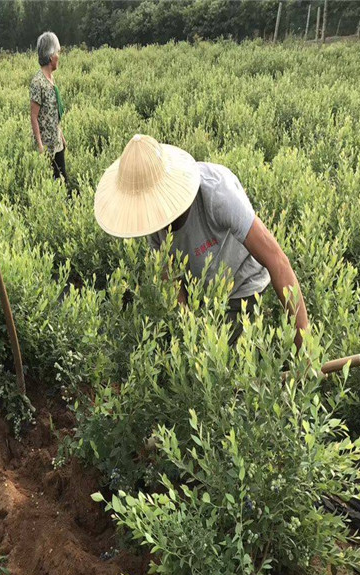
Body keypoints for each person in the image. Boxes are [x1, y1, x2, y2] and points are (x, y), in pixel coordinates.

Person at [94, 134, 308, 348]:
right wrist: (189, 331)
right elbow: (171, 277)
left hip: (243, 286)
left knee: (228, 359)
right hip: (203, 294)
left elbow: (277, 261)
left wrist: (305, 350)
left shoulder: (217, 193)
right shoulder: (149, 217)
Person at [30, 31, 67, 182]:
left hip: (57, 143)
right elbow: (34, 116)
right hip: (47, 146)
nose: (59, 56)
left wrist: (62, 136)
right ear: (51, 56)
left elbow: (53, 113)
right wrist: (40, 145)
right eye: (58, 52)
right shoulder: (38, 82)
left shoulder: (51, 78)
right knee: (52, 183)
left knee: (63, 181)